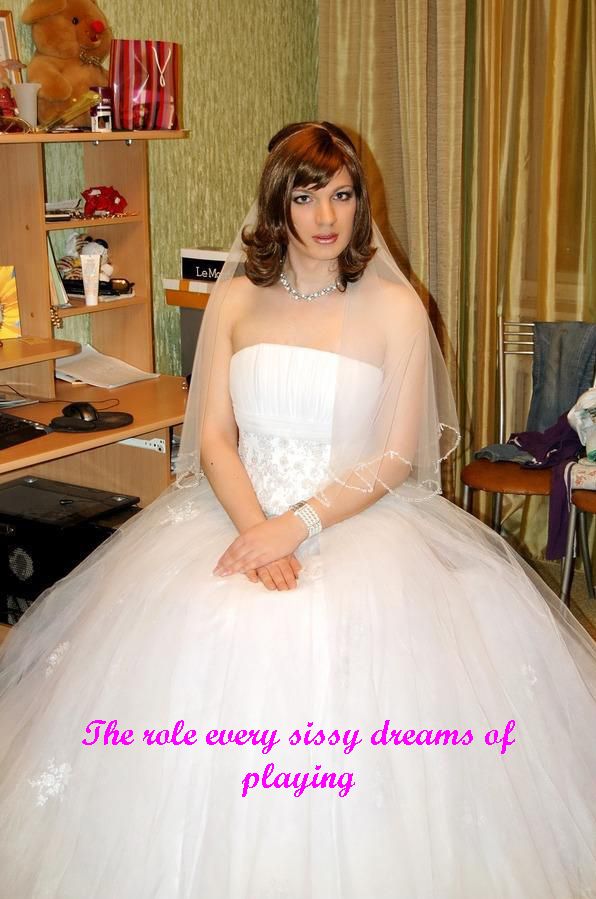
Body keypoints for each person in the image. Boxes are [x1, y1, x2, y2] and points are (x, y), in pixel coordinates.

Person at [0, 121, 595, 898]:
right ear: (278, 203)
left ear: (360, 205)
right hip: (235, 514)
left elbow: (392, 457)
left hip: (354, 524)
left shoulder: (397, 308)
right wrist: (258, 529)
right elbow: (212, 435)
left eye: (342, 195)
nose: (325, 215)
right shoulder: (239, 294)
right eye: (307, 195)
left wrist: (298, 525)